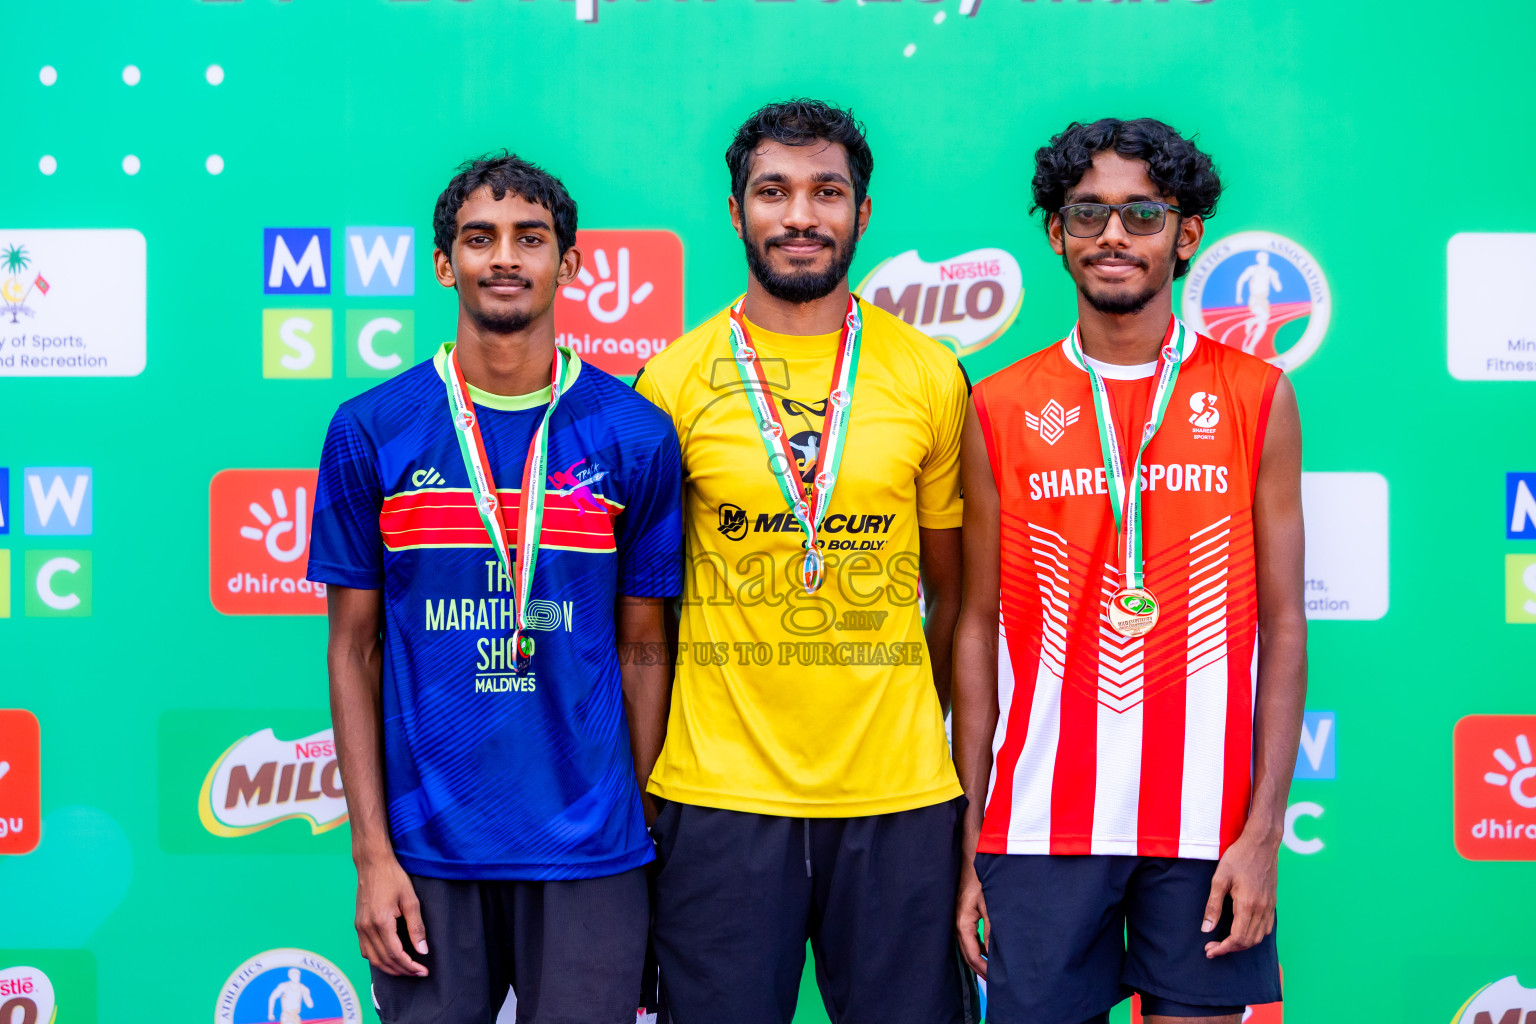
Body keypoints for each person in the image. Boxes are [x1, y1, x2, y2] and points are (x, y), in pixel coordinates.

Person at [307, 153, 683, 1024]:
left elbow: (644, 647)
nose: (505, 257)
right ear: (445, 265)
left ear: (571, 262)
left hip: (593, 851)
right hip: (428, 853)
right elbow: (351, 648)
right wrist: (371, 852)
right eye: (480, 239)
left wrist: (642, 818)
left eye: (531, 238)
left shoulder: (635, 432)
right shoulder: (374, 430)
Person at [952, 118, 1306, 1024]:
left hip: (1207, 832)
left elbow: (1284, 628)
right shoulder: (997, 405)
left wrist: (1263, 833)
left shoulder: (1256, 393)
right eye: (1089, 213)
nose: (1114, 235)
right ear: (1056, 233)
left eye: (1142, 213)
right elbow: (975, 628)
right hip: (1038, 829)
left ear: (1187, 235)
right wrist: (970, 837)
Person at [634, 99, 974, 1024]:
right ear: (737, 210)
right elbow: (643, 618)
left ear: (862, 214)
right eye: (773, 191)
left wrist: (909, 723)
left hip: (898, 799)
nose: (799, 215)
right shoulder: (672, 380)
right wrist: (645, 788)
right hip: (718, 796)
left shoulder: (927, 372)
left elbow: (955, 596)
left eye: (827, 192)